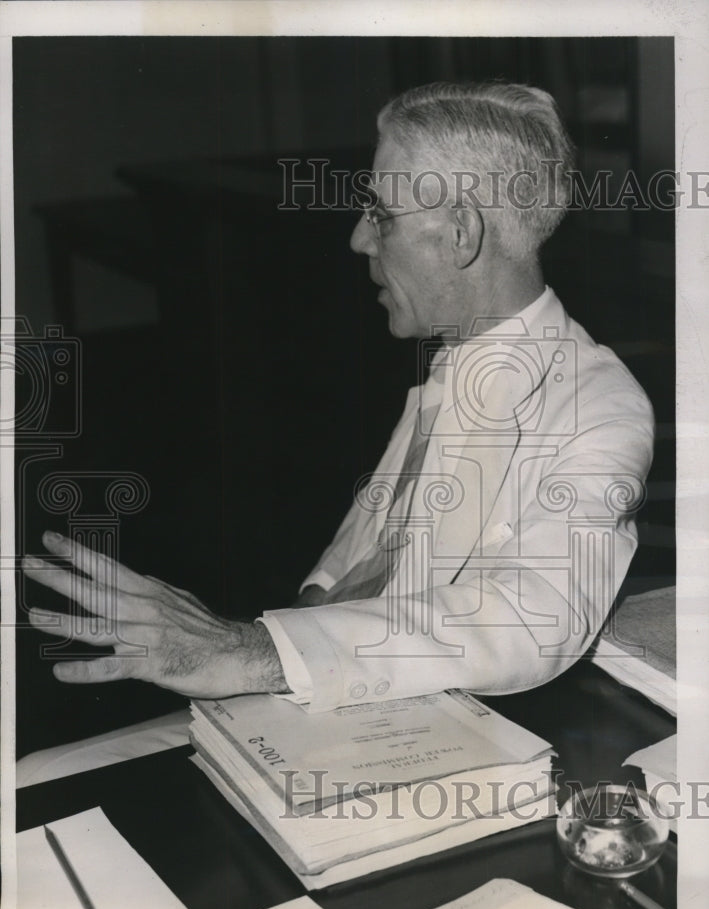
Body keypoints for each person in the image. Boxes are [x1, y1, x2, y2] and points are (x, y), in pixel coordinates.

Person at [23, 81, 653, 727]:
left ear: (460, 234)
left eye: (380, 215)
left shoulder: (598, 406)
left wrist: (249, 650)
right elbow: (371, 542)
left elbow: (534, 616)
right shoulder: (454, 359)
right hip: (337, 700)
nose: (359, 240)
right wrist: (284, 626)